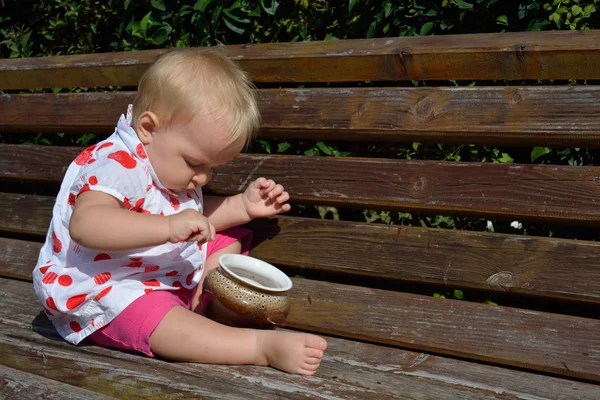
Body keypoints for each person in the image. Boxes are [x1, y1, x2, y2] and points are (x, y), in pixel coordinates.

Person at [32, 48, 327, 376]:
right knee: (151, 316)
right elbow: (87, 224)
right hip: (105, 287)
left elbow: (192, 217)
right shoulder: (116, 164)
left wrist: (241, 206)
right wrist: (168, 227)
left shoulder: (164, 156)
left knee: (222, 237)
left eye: (211, 168)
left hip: (148, 272)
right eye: (194, 164)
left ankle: (200, 311)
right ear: (148, 127)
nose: (202, 178)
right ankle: (257, 347)